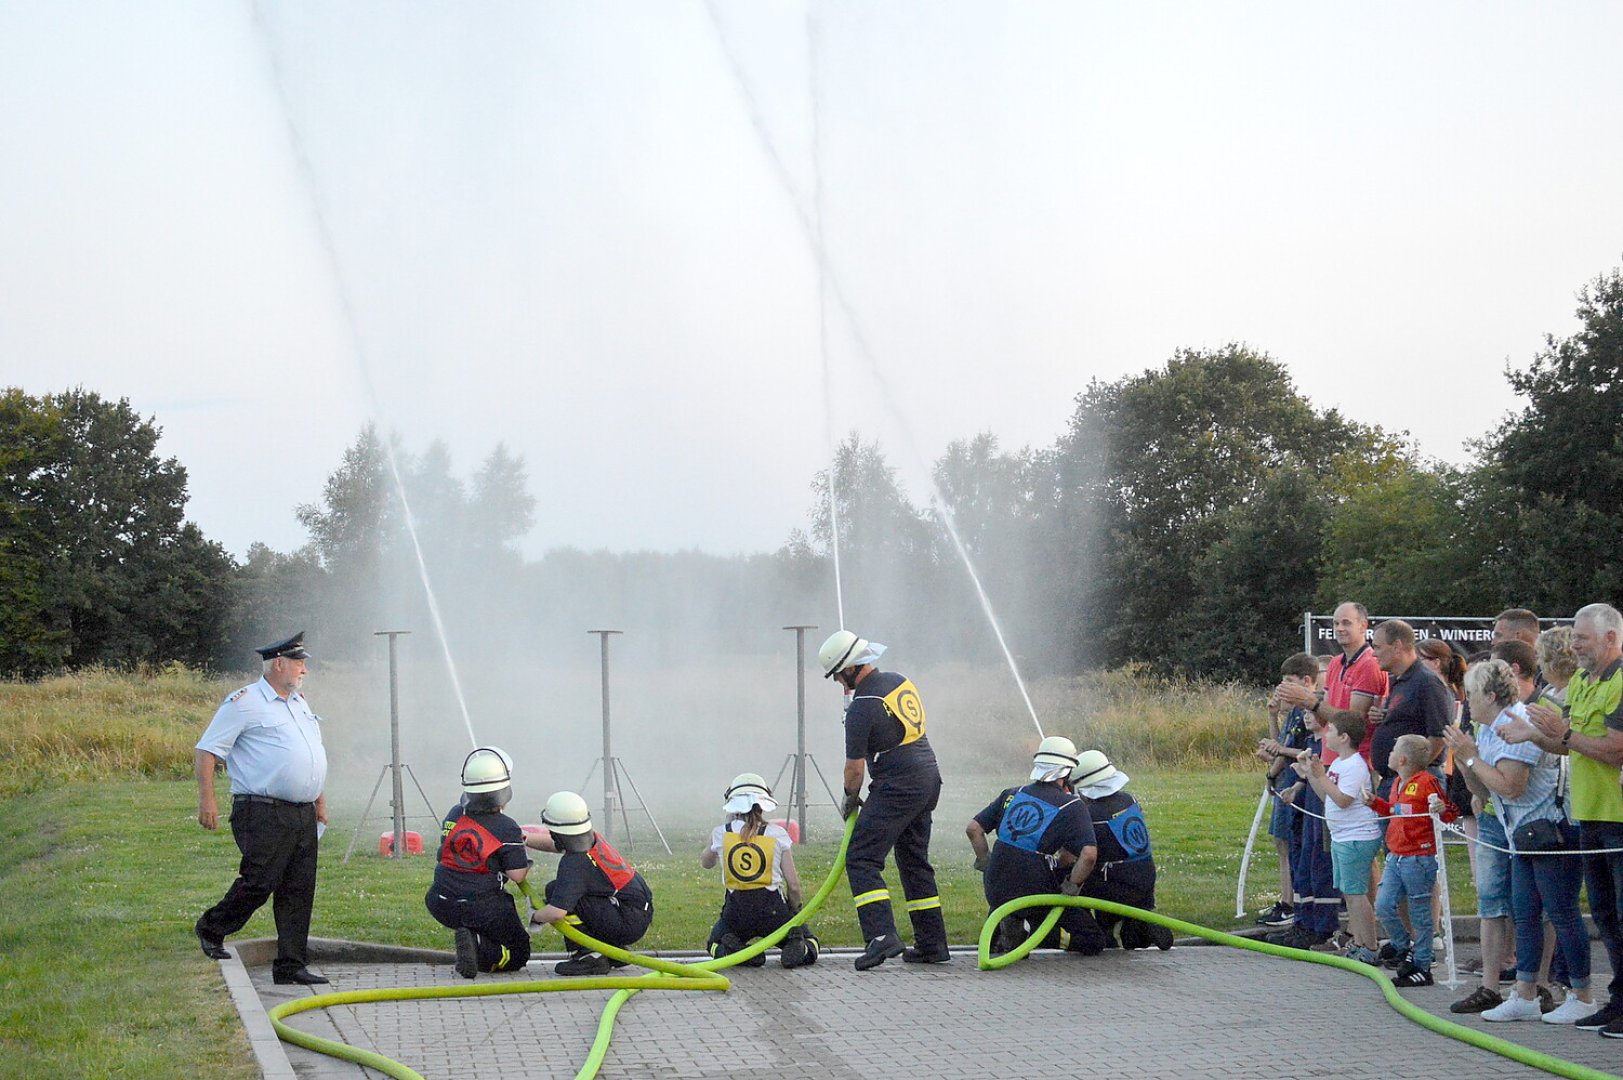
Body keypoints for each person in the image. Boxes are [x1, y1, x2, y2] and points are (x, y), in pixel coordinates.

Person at [1446, 659, 1598, 1025]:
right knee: (1524, 912)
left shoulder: (1515, 723)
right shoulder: (1484, 729)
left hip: (1551, 830)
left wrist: (1470, 757)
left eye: (1472, 693)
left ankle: (1584, 995)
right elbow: (1482, 792)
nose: (1467, 700)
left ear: (1492, 695)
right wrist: (1467, 763)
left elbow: (1512, 785)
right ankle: (1525, 993)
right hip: (1521, 834)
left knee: (1561, 912)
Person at [1500, 603, 1623, 1036]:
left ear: (1611, 637)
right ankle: (1616, 1003)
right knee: (1605, 914)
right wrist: (1535, 734)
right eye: (1573, 637)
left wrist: (1563, 732)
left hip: (1617, 818)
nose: (1575, 646)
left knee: (1618, 913)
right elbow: (1569, 746)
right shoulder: (1585, 682)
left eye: (1582, 638)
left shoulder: (1620, 681)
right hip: (1586, 813)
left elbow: (1613, 748)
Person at [193, 632, 329, 985]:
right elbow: (208, 750)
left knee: (299, 888)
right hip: (263, 810)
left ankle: (290, 965)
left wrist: (319, 799)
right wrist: (207, 799)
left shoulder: (299, 702)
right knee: (260, 881)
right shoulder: (245, 702)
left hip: (301, 812)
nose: (305, 670)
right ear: (279, 664)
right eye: (300, 663)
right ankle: (212, 928)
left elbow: (310, 751)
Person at [818, 629, 948, 970]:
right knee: (914, 860)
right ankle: (932, 943)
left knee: (861, 857)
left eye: (837, 675)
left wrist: (850, 798)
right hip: (928, 775)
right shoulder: (899, 681)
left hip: (898, 783)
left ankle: (880, 936)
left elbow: (854, 770)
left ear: (849, 667)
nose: (838, 683)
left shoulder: (861, 707)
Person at [967, 737, 1104, 956]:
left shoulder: (1012, 793)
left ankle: (1007, 928)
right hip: (1035, 889)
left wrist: (986, 863)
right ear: (1068, 772)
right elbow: (1088, 855)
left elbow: (974, 829)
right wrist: (1071, 886)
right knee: (1093, 940)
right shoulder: (1072, 806)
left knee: (1005, 913)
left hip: (997, 887)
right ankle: (1030, 934)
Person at [424, 748, 532, 979]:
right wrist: (518, 852)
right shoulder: (506, 826)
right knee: (518, 953)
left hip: (441, 901)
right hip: (482, 906)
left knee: (478, 918)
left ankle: (471, 935)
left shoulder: (454, 814)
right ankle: (480, 946)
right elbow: (517, 875)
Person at [525, 791, 655, 976]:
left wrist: (536, 916)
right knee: (563, 891)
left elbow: (557, 912)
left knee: (558, 893)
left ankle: (590, 956)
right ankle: (610, 950)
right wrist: (524, 838)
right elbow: (557, 844)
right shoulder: (591, 841)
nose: (551, 834)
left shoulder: (575, 863)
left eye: (552, 830)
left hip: (627, 922)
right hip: (635, 913)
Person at [1364, 734, 1458, 986]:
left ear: (1403, 759)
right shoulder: (1397, 784)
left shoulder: (1428, 782)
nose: (1389, 754)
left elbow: (1450, 812)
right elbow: (1395, 811)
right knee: (1383, 905)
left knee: (1420, 914)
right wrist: (1376, 804)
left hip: (1419, 858)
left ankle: (1422, 965)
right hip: (1396, 856)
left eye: (1393, 750)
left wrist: (1442, 810)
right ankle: (1401, 945)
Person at [700, 773, 819, 969]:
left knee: (713, 944)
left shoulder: (721, 833)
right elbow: (794, 884)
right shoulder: (777, 834)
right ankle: (798, 946)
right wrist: (794, 911)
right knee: (811, 941)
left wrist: (724, 827)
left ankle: (737, 953)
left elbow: (706, 862)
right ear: (764, 803)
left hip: (736, 912)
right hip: (772, 910)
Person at [1296, 714, 1381, 965]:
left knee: (1357, 893)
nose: (1325, 735)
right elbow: (1327, 796)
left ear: (1344, 738)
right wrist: (1310, 774)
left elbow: (1344, 800)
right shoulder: (1338, 765)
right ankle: (1359, 941)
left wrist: (1320, 775)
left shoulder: (1355, 765)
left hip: (1357, 837)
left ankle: (1371, 945)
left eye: (1330, 730)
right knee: (1349, 892)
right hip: (1342, 836)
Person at [1070, 749, 1173, 950]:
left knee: (1073, 876)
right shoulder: (1129, 800)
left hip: (1114, 884)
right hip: (1145, 877)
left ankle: (1101, 934)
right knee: (1132, 940)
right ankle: (1141, 925)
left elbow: (1084, 856)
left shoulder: (1091, 815)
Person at [1277, 602, 1387, 763]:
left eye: (1346, 623)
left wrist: (1310, 701)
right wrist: (1305, 701)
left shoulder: (1369, 664)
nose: (1340, 628)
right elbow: (1323, 719)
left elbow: (1353, 722)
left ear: (1363, 626)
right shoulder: (1335, 663)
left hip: (1358, 760)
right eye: (1336, 623)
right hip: (1331, 758)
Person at [1255, 653, 1318, 929]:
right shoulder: (1292, 710)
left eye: (1289, 682)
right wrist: (1272, 716)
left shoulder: (1310, 710)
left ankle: (1292, 902)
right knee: (1281, 842)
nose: (1283, 688)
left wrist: (1277, 759)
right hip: (1282, 779)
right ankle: (1287, 900)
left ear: (1306, 681)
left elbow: (1303, 749)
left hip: (1296, 783)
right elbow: (1282, 742)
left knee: (1292, 844)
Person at [1366, 620, 1451, 797]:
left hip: (1414, 783)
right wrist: (1386, 718)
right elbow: (1409, 720)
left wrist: (1411, 775)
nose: (1374, 654)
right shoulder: (1401, 680)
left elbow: (1440, 735)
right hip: (1395, 780)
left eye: (1378, 647)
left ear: (1397, 646)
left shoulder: (1426, 683)